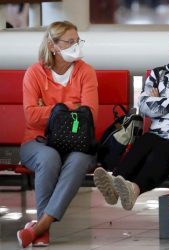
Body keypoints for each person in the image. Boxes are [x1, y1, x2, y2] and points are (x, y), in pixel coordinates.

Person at [93, 28, 169, 211]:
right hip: (158, 133)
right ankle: (115, 183)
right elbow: (144, 106)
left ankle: (134, 189)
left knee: (164, 151)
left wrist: (161, 103)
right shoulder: (157, 74)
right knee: (144, 143)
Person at [17, 21, 99, 248]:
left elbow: (89, 115)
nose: (76, 46)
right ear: (53, 46)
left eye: (77, 41)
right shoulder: (35, 72)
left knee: (80, 160)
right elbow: (31, 117)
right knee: (49, 157)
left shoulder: (86, 72)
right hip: (37, 141)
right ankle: (42, 229)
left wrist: (52, 110)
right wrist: (69, 108)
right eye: (69, 42)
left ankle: (40, 228)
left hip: (77, 144)